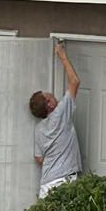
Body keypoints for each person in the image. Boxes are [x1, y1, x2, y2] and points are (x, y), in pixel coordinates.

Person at [30, 43, 82, 198]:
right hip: (64, 181)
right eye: (49, 95)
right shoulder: (60, 114)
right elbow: (74, 82)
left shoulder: (39, 129)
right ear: (50, 104)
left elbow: (39, 158)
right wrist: (62, 55)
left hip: (46, 183)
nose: (52, 94)